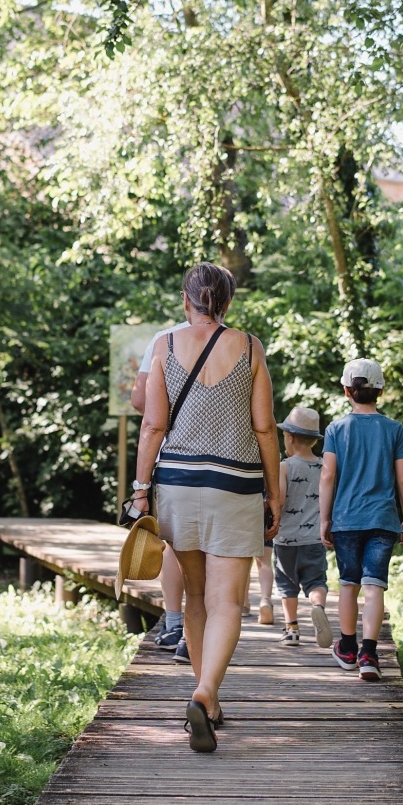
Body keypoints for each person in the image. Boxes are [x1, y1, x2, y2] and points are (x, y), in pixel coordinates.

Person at [128, 262, 282, 752]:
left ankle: (207, 700)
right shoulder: (250, 347)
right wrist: (274, 493)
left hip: (177, 485)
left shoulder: (164, 346)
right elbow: (265, 429)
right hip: (235, 485)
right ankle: (205, 693)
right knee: (227, 603)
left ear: (185, 299)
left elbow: (153, 425)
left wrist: (139, 488)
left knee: (195, 598)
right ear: (228, 302)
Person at [318, 359, 403, 682]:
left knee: (349, 584)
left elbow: (328, 475)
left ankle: (346, 648)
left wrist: (324, 519)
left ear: (347, 391)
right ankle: (369, 654)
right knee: (374, 586)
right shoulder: (394, 430)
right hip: (383, 520)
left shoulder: (336, 429)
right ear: (380, 391)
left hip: (345, 520)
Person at [130, 320, 190, 661]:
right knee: (213, 549)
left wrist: (167, 420)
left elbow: (140, 399)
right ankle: (200, 634)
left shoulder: (164, 340)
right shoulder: (239, 343)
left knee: (174, 543)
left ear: (187, 300)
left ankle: (174, 624)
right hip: (225, 465)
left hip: (173, 460)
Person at [272, 405, 332, 649]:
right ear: (314, 442)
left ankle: (292, 629)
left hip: (287, 539)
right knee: (316, 581)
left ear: (290, 437)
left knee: (287, 584)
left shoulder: (285, 466)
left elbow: (281, 499)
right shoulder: (324, 467)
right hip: (314, 538)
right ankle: (317, 607)